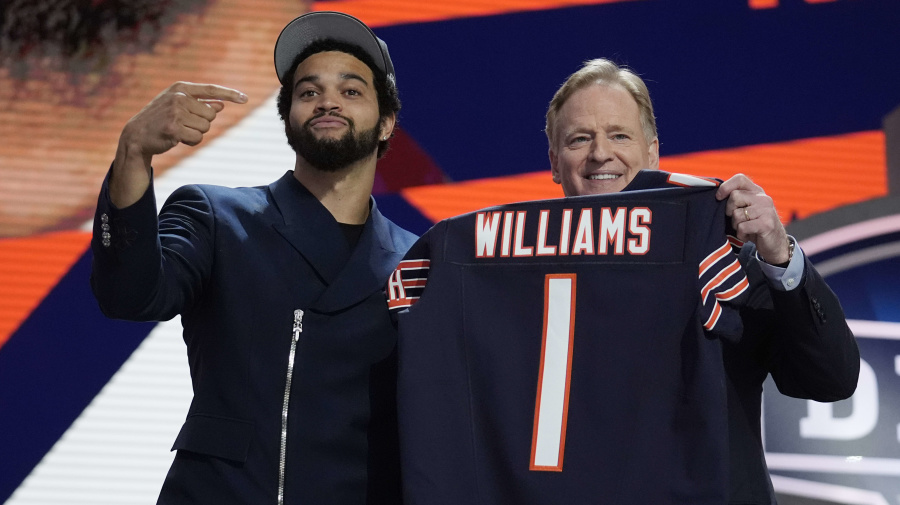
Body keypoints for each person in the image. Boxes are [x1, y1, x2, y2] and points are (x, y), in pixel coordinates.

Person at [90, 11, 416, 505]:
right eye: (308, 92)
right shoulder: (217, 215)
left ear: (387, 122)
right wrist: (133, 153)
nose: (327, 100)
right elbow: (128, 295)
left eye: (351, 91)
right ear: (288, 118)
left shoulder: (418, 260)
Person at [545, 58, 860, 504]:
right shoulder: (517, 280)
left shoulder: (722, 262)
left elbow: (832, 379)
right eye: (580, 139)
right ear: (555, 163)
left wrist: (778, 254)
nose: (600, 153)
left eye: (619, 135)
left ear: (651, 151)